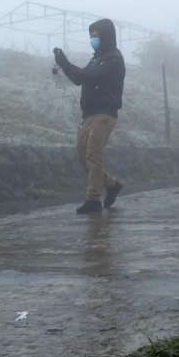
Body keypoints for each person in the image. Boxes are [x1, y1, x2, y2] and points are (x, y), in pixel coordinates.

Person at [53, 18, 126, 215]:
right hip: (89, 114)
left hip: (105, 114)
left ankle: (93, 199)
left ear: (106, 36)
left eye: (96, 36)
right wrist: (64, 64)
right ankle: (111, 185)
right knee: (82, 154)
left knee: (93, 154)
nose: (93, 39)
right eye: (91, 36)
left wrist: (65, 63)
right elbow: (82, 76)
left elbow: (86, 77)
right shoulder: (97, 58)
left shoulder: (113, 59)